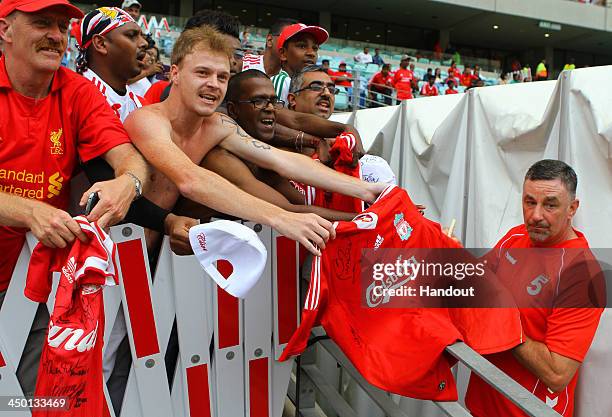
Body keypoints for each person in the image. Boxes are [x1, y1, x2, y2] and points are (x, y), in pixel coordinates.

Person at [123, 26, 385, 256]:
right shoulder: (147, 120)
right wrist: (280, 218)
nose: (214, 84)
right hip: (115, 247)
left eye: (222, 77)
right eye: (202, 73)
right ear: (175, 74)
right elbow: (191, 180)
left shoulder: (217, 125)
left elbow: (281, 160)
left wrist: (366, 191)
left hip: (151, 256)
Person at [0, 0, 149, 397]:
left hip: (31, 289)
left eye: (63, 26)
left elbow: (128, 156)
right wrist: (29, 210)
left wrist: (128, 183)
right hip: (21, 274)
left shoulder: (75, 90)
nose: (56, 35)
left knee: (39, 399)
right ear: (5, 31)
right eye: (42, 23)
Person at [465, 159, 604, 417]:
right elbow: (477, 280)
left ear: (572, 208)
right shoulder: (515, 236)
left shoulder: (583, 275)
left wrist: (499, 321)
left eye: (550, 205)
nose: (536, 215)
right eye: (530, 202)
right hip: (482, 404)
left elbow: (557, 373)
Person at [273, 22, 328, 105]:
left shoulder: (307, 86)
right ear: (283, 54)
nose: (311, 53)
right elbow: (276, 115)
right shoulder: (282, 81)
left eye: (315, 48)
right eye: (302, 46)